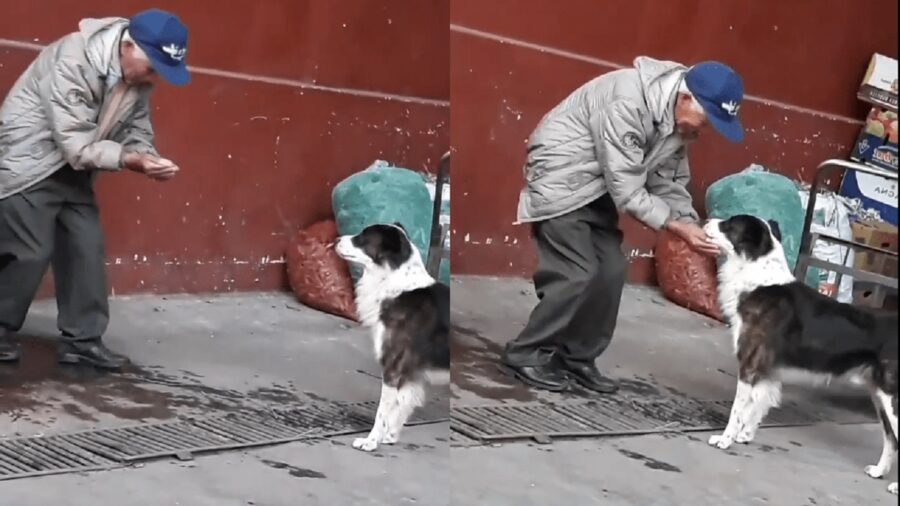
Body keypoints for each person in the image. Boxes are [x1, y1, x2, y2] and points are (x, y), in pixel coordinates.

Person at [504, 57, 744, 393]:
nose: (704, 130)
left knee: (612, 269)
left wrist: (692, 226)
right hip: (562, 176)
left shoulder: (677, 122)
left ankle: (576, 358)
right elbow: (627, 189)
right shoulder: (627, 102)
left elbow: (668, 182)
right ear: (687, 98)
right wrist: (676, 226)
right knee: (577, 272)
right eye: (708, 120)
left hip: (600, 183)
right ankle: (525, 353)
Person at [0, 9, 190, 368]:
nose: (155, 79)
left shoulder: (138, 78)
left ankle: (82, 341)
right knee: (29, 251)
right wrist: (131, 160)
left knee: (85, 247)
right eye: (153, 68)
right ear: (128, 46)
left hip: (77, 167)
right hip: (30, 162)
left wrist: (148, 157)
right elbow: (74, 143)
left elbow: (137, 128)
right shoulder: (72, 58)